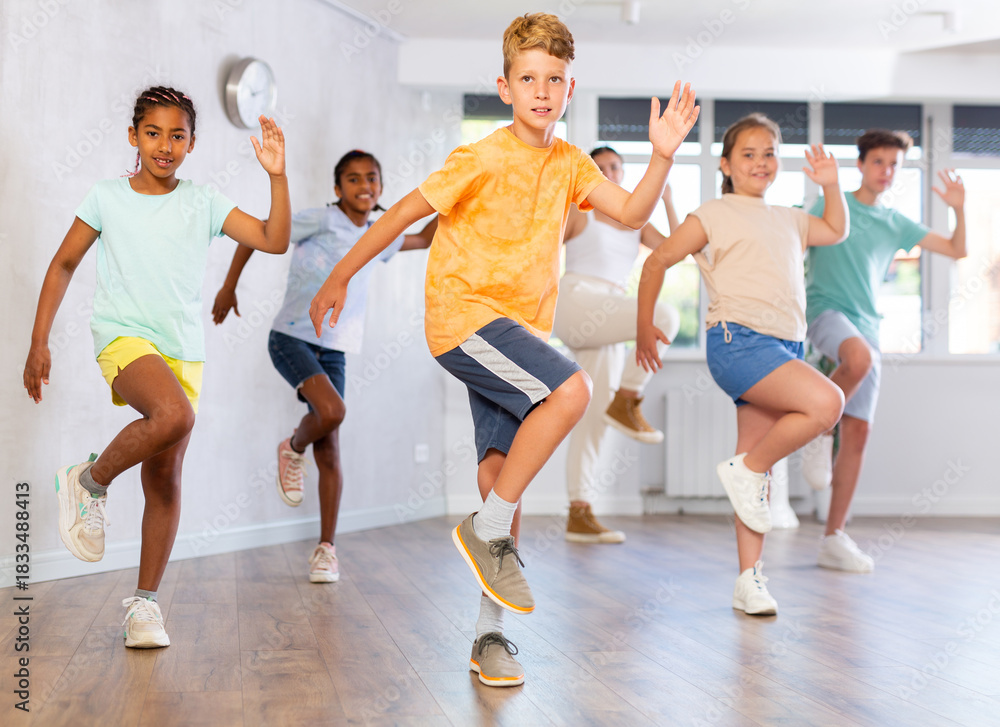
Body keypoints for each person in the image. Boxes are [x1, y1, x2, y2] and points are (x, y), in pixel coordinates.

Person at [309, 13, 698, 686]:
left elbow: (632, 214)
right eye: (528, 78)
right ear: (505, 86)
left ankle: (489, 637)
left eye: (555, 79)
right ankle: (483, 525)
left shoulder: (571, 163)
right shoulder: (480, 157)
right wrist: (340, 273)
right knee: (572, 390)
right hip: (464, 320)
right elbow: (401, 213)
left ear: (569, 88)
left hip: (514, 337)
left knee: (500, 474)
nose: (542, 91)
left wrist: (662, 154)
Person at [23, 86, 291, 648]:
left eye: (177, 135)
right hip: (123, 338)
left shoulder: (204, 202)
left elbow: (273, 238)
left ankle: (143, 608)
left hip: (182, 350)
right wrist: (38, 341)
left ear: (193, 143)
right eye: (153, 133)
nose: (164, 145)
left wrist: (277, 175)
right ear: (133, 136)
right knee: (175, 415)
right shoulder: (106, 197)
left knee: (165, 479)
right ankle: (89, 482)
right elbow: (63, 263)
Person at [636, 113, 847, 616]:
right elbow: (656, 260)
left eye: (769, 153)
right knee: (827, 403)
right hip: (738, 342)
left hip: (785, 348)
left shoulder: (792, 218)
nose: (761, 162)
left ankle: (749, 579)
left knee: (757, 474)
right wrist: (644, 326)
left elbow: (836, 230)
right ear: (727, 165)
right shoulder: (712, 212)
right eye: (748, 154)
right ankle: (746, 470)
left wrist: (832, 184)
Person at [212, 150, 436, 583]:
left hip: (336, 349)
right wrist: (228, 287)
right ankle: (291, 447)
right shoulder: (319, 220)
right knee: (331, 412)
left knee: (330, 446)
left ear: (382, 187)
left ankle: (326, 550)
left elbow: (423, 239)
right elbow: (255, 234)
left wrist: (457, 197)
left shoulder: (380, 232)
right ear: (338, 189)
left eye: (371, 178)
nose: (364, 186)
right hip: (292, 338)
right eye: (353, 179)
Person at [802, 129, 966, 572]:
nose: (886, 172)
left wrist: (959, 209)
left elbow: (956, 249)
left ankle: (833, 538)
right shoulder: (827, 205)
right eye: (879, 162)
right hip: (825, 313)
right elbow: (790, 243)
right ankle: (817, 435)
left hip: (868, 326)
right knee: (857, 359)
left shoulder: (896, 222)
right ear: (860, 164)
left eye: (894, 165)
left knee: (858, 434)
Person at [553, 148, 681, 544]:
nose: (609, 172)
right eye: (601, 167)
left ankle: (580, 514)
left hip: (608, 316)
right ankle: (629, 397)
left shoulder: (636, 220)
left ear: (624, 174)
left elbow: (677, 250)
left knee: (591, 418)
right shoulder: (581, 210)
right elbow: (538, 246)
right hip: (577, 300)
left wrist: (669, 200)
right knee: (665, 316)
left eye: (615, 167)